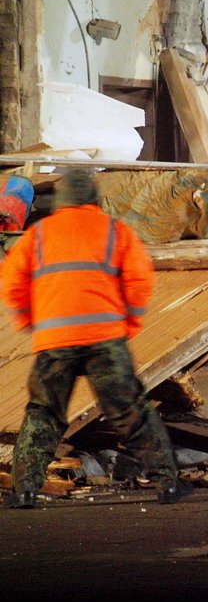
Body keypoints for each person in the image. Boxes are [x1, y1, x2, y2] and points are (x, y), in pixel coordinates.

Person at [1, 169, 187, 508]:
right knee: (131, 411)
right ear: (93, 197)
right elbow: (139, 280)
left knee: (43, 412)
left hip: (54, 340)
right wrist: (127, 323)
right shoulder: (115, 232)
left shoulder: (38, 235)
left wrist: (33, 322)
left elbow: (11, 282)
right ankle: (167, 485)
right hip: (105, 338)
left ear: (61, 200)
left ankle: (24, 491)